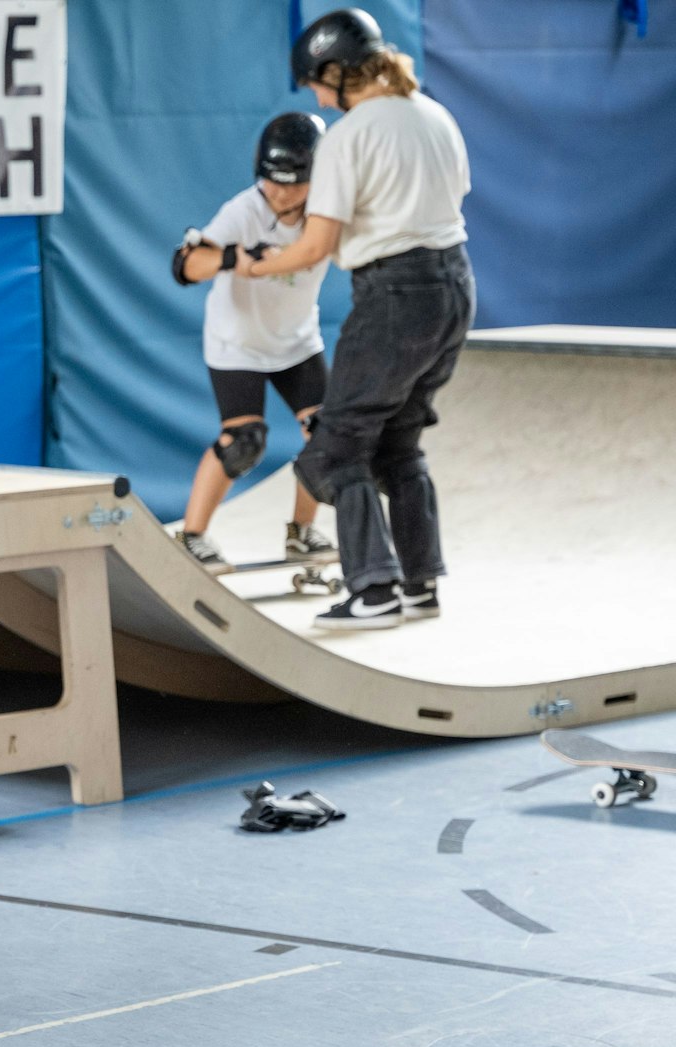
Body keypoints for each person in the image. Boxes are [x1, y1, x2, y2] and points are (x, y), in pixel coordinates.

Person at [243, 8, 473, 630]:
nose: (317, 98)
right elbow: (446, 201)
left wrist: (257, 265)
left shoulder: (349, 135)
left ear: (341, 72)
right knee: (398, 441)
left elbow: (316, 246)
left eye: (318, 84)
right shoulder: (434, 113)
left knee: (338, 447)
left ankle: (373, 592)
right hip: (454, 286)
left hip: (395, 295)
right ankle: (420, 585)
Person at [169, 113, 335, 571]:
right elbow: (184, 267)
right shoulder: (245, 210)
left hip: (296, 340)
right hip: (236, 342)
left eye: (292, 184)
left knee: (328, 434)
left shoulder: (327, 213)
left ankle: (301, 533)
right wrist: (230, 258)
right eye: (270, 181)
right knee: (243, 441)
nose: (278, 193)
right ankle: (193, 536)